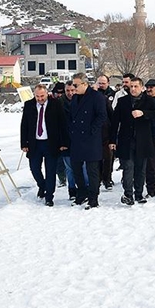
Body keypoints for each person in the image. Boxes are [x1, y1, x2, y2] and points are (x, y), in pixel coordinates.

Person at [20, 84, 68, 207]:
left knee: (50, 171)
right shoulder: (29, 105)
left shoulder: (56, 104)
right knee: (34, 168)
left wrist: (63, 142)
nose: (40, 99)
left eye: (42, 96)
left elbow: (63, 123)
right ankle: (42, 185)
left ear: (47, 94)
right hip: (34, 143)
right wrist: (24, 143)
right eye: (37, 96)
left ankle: (49, 196)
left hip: (51, 143)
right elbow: (24, 124)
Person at [110, 77, 155, 205]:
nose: (133, 89)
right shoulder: (123, 101)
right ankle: (128, 194)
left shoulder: (149, 100)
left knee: (140, 169)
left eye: (136, 86)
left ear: (142, 87)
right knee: (128, 167)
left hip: (143, 140)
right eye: (131, 86)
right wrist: (112, 140)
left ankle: (139, 194)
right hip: (126, 140)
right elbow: (115, 122)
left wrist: (143, 113)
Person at [69, 72, 108, 209]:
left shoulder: (96, 97)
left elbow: (102, 116)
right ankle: (81, 194)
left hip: (91, 139)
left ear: (85, 84)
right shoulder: (75, 98)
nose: (73, 88)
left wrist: (92, 130)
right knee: (76, 169)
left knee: (92, 170)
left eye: (76, 85)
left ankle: (93, 198)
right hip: (76, 138)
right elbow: (71, 116)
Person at [95, 75, 117, 191]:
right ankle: (97, 179)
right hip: (95, 133)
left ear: (108, 83)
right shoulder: (93, 96)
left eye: (103, 83)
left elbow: (112, 115)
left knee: (108, 157)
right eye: (99, 83)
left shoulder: (111, 95)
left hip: (106, 133)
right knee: (96, 158)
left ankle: (107, 179)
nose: (101, 85)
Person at [50, 82, 68, 187]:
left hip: (67, 133)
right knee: (58, 160)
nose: (60, 95)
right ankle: (62, 178)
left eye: (62, 93)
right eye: (58, 93)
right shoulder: (52, 102)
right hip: (55, 134)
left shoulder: (69, 101)